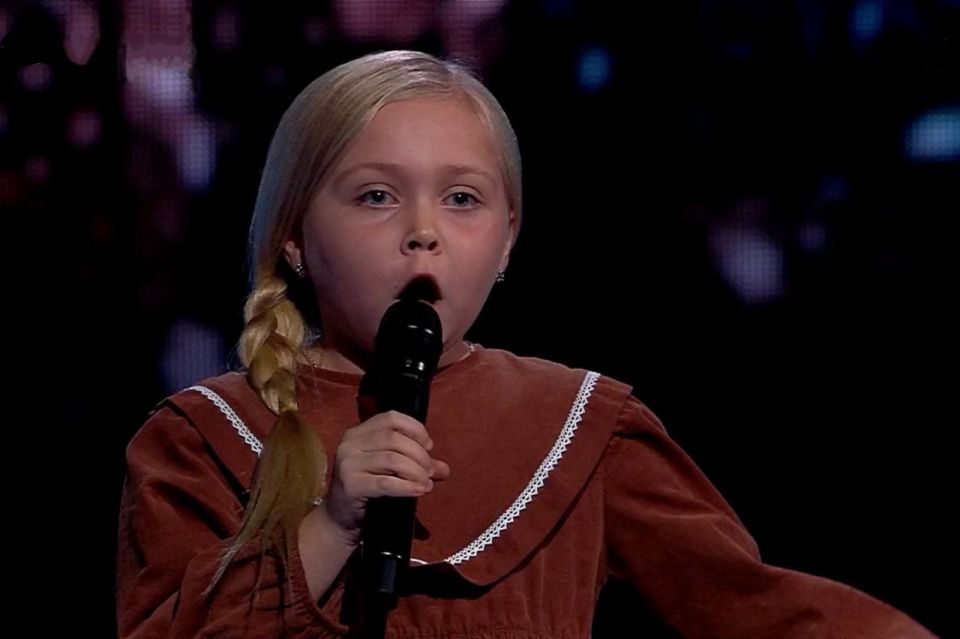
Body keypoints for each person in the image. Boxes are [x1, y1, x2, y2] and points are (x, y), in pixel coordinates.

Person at [115, 49, 936, 638]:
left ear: (507, 240)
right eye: (376, 195)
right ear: (295, 237)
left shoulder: (580, 424)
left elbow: (754, 606)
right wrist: (328, 529)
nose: (424, 232)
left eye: (462, 199)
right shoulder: (201, 437)